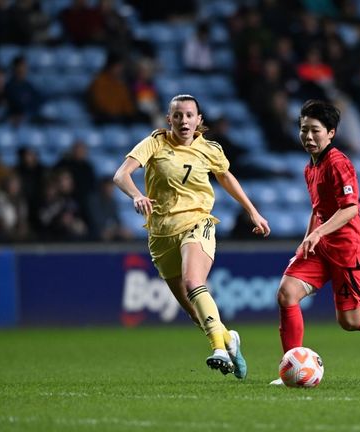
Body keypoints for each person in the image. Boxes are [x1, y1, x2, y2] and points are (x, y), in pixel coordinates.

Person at [113, 94, 270, 379]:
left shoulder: (210, 149)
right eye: (178, 115)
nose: (184, 120)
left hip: (197, 223)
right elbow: (121, 175)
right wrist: (137, 195)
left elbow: (226, 177)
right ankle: (228, 339)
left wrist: (252, 212)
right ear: (169, 119)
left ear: (199, 120)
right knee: (190, 306)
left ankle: (219, 350)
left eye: (189, 115)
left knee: (193, 281)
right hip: (160, 232)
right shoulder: (154, 143)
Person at [270, 100, 360, 385]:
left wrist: (318, 233)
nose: (308, 137)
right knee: (286, 293)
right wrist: (307, 240)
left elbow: (350, 208)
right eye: (304, 130)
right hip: (322, 246)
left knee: (350, 321)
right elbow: (318, 210)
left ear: (331, 133)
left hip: (349, 250)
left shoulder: (339, 163)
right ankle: (292, 365)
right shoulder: (310, 168)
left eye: (315, 130)